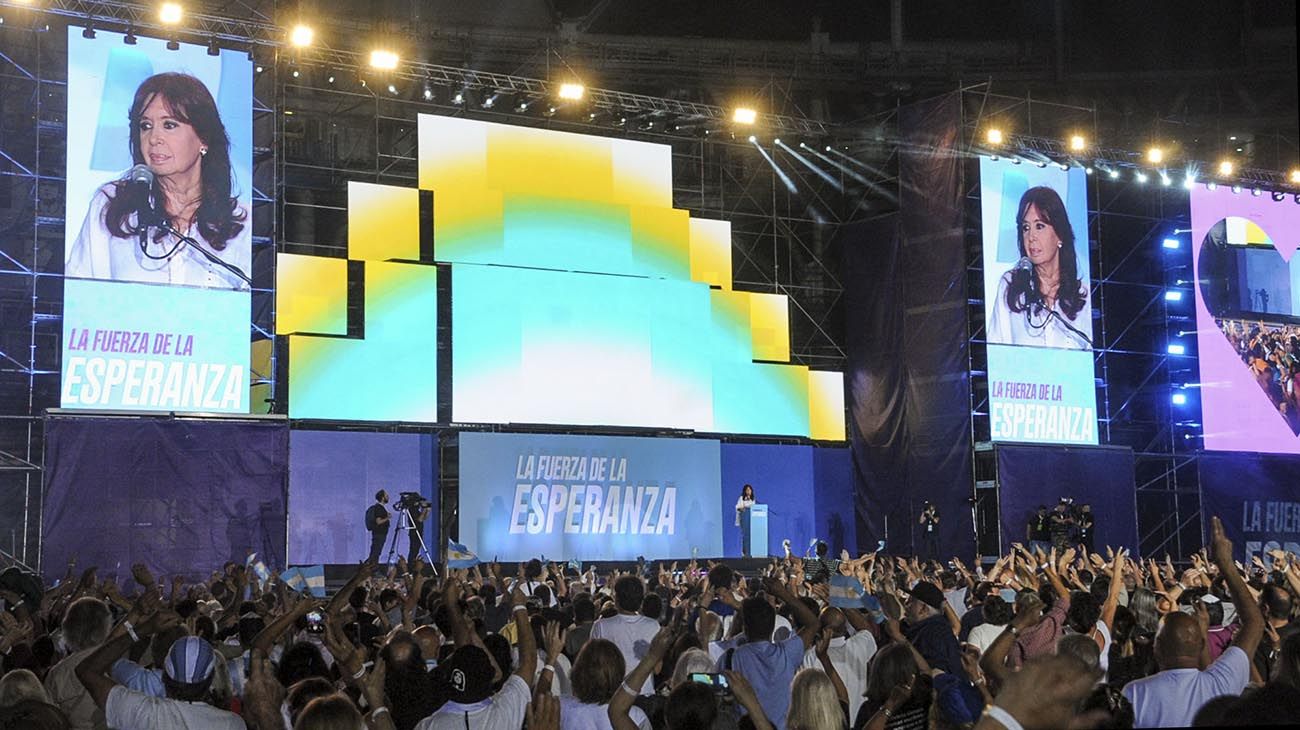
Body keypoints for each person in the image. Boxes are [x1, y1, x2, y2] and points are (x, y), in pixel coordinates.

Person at [66, 72, 250, 290]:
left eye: (169, 125)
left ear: (204, 137)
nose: (154, 138)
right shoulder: (112, 206)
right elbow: (78, 294)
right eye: (145, 126)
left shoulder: (242, 223)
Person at [1120, 517, 1263, 728]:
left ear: (1156, 648)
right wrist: (1226, 563)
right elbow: (1254, 623)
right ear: (1201, 645)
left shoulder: (1135, 693)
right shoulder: (1222, 682)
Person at [986, 185, 1091, 350]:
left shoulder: (1083, 297)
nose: (1031, 237)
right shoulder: (1011, 286)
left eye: (1039, 226)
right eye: (1025, 228)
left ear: (1060, 234)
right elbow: (995, 350)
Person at [590, 576, 661, 695]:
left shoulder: (601, 626)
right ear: (641, 600)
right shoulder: (653, 626)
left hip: (611, 697)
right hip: (644, 694)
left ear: (616, 598)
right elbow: (657, 669)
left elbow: (593, 665)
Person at [366, 490, 391, 564]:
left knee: (376, 552)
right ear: (382, 498)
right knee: (375, 552)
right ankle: (373, 570)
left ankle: (372, 568)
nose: (388, 497)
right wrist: (387, 518)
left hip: (379, 534)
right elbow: (378, 521)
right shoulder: (379, 508)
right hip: (379, 534)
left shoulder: (380, 508)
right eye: (386, 496)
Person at [736, 484, 757, 557]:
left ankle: (751, 552)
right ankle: (745, 552)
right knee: (745, 536)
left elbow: (754, 508)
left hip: (752, 519)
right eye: (747, 490)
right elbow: (738, 507)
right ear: (745, 491)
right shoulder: (741, 498)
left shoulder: (753, 499)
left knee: (751, 535)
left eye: (750, 490)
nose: (748, 491)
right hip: (744, 518)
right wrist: (742, 508)